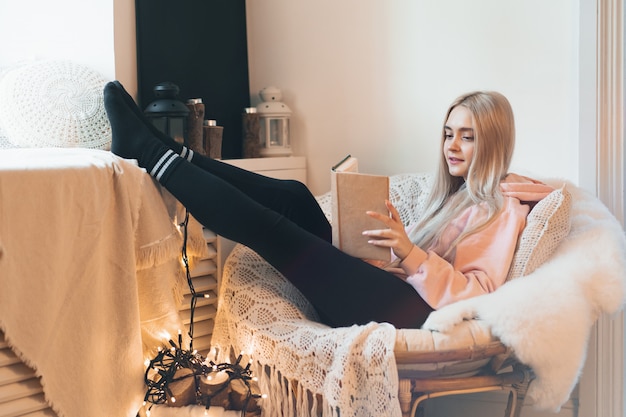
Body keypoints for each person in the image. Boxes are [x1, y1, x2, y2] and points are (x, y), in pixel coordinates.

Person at [103, 82, 553, 329]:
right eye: (448, 133)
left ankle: (148, 152)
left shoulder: (502, 209)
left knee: (274, 232)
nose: (452, 145)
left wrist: (410, 253)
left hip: (415, 318)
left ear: (493, 142)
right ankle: (172, 151)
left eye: (468, 136)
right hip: (393, 294)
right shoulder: (453, 198)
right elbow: (423, 265)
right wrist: (391, 243)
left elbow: (479, 296)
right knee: (297, 196)